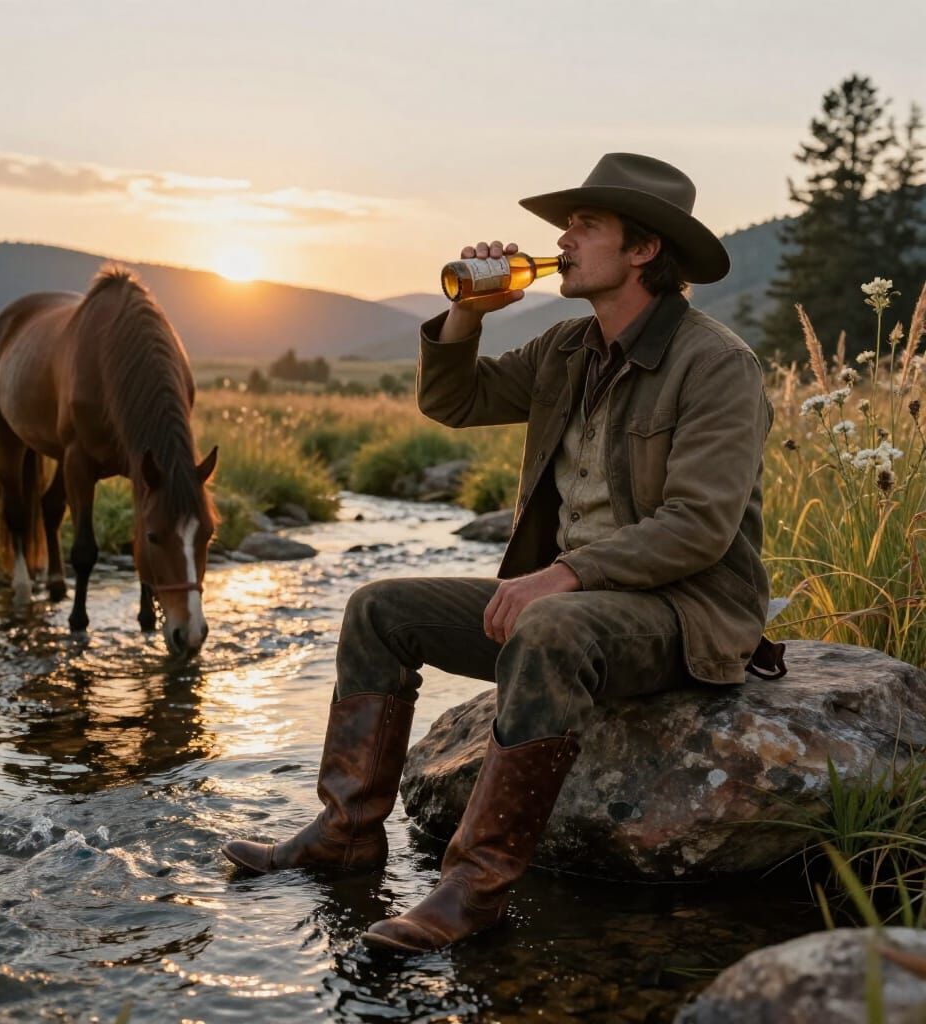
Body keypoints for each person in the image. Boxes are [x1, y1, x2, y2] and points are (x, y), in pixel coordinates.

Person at [221, 152, 775, 954]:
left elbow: (698, 526)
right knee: (378, 609)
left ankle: (472, 890)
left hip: (683, 615)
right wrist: (470, 313)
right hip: (576, 604)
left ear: (644, 249)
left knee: (550, 628)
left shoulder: (716, 364)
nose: (562, 236)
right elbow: (454, 399)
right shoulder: (563, 351)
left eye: (586, 224)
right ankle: (345, 834)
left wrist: (563, 575)